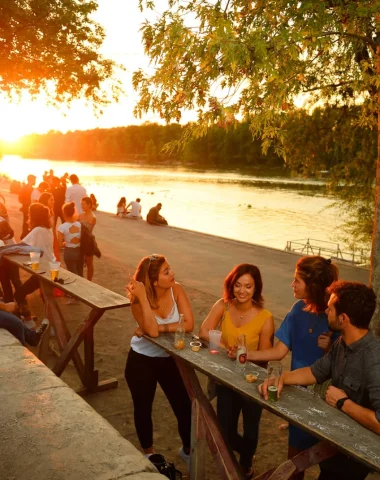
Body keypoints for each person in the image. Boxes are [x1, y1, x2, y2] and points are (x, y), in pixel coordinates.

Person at [229, 256, 339, 479]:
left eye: (297, 280)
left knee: (329, 466)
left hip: (328, 402)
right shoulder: (298, 309)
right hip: (297, 396)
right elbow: (279, 351)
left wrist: (331, 349)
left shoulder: (335, 314)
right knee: (295, 464)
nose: (292, 285)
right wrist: (246, 354)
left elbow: (348, 363)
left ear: (313, 285)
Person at [259, 280, 380, 480]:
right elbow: (315, 372)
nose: (326, 312)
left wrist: (343, 403)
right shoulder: (342, 343)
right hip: (333, 445)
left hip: (356, 458)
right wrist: (280, 378)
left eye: (330, 309)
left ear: (343, 319)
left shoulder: (374, 359)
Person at [199, 264, 274, 478]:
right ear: (231, 285)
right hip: (226, 379)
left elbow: (267, 354)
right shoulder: (223, 305)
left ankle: (246, 462)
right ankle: (240, 457)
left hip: (252, 382)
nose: (242, 291)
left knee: (251, 432)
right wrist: (226, 348)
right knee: (226, 431)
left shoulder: (265, 317)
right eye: (238, 285)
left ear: (256, 288)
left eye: (248, 286)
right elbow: (204, 331)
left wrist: (244, 355)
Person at [125, 254, 193, 465]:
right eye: (166, 272)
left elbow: (189, 324)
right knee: (144, 408)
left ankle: (188, 451)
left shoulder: (177, 290)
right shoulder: (138, 300)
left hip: (169, 359)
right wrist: (144, 298)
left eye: (170, 269)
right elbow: (153, 333)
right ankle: (150, 454)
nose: (172, 274)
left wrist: (159, 327)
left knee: (185, 407)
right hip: (141, 361)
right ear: (154, 281)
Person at [14, 203, 56, 327]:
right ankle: (52, 325)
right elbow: (38, 248)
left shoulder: (37, 230)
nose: (28, 216)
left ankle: (29, 321)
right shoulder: (47, 229)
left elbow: (22, 245)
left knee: (19, 294)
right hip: (50, 267)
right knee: (47, 298)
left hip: (44, 270)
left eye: (29, 214)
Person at [57, 201, 83, 276]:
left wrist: (65, 243)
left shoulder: (62, 227)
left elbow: (60, 245)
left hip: (69, 252)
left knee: (73, 275)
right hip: (80, 252)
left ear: (64, 213)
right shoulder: (79, 224)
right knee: (80, 275)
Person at [78, 196, 97, 281]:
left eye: (83, 204)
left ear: (89, 205)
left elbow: (88, 231)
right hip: (80, 240)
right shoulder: (80, 215)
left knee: (89, 263)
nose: (82, 206)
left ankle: (89, 281)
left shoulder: (93, 217)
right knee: (80, 262)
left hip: (88, 241)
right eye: (81, 204)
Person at [39, 192, 60, 260]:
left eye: (53, 200)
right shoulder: (42, 212)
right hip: (45, 237)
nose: (53, 202)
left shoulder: (51, 211)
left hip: (52, 236)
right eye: (51, 200)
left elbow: (53, 228)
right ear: (45, 200)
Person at [18, 174, 36, 239]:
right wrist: (27, 203)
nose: (35, 181)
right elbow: (20, 198)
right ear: (30, 180)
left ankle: (26, 235)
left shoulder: (33, 189)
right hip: (26, 207)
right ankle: (24, 236)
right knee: (26, 222)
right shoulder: (24, 188)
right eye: (34, 179)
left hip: (31, 207)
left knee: (29, 222)